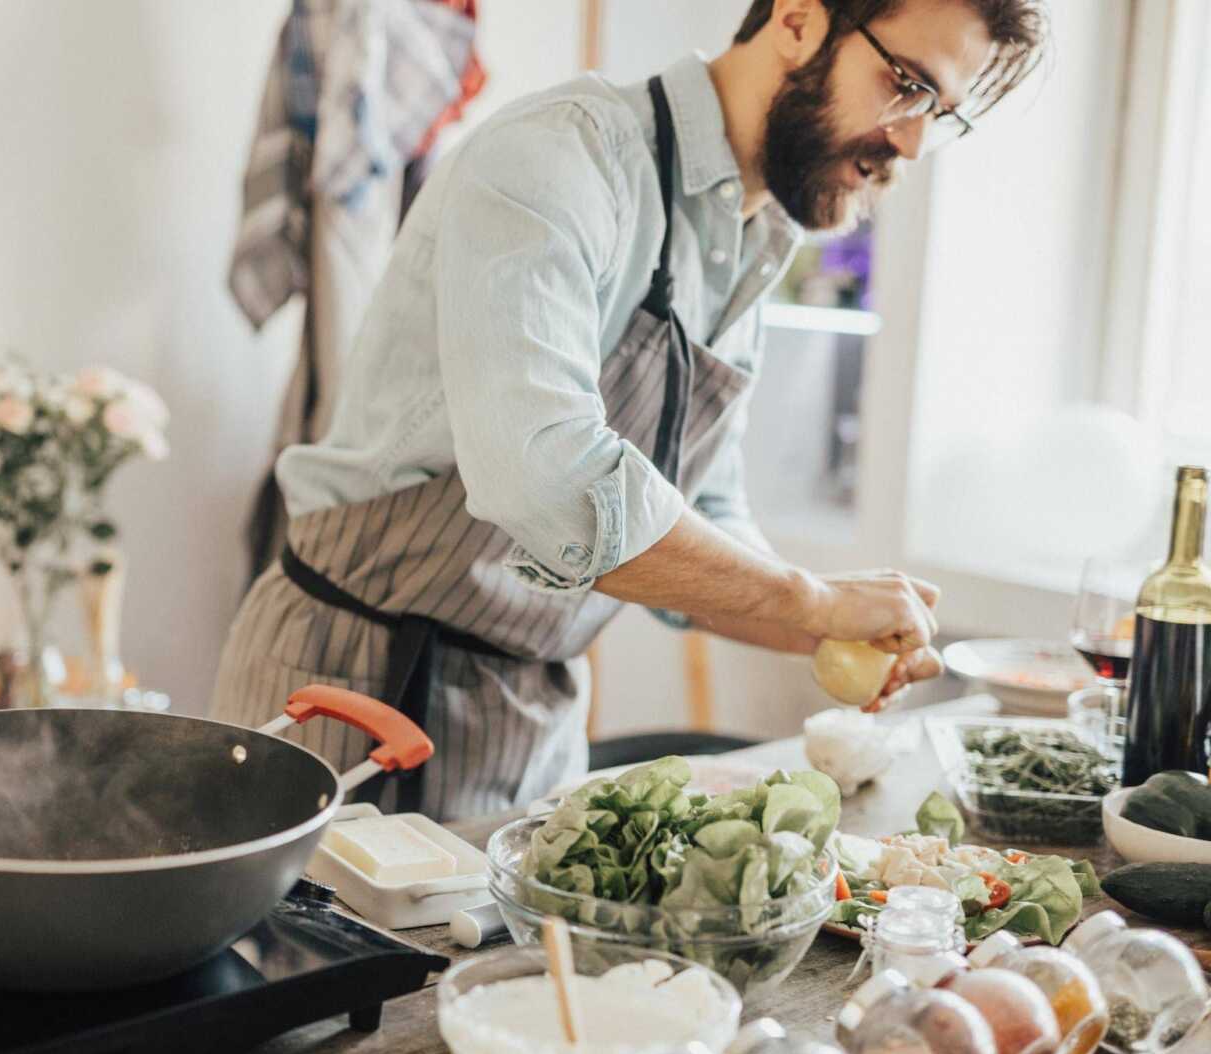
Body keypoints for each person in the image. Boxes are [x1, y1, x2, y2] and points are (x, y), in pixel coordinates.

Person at [212, 0, 1048, 819]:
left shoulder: (755, 241)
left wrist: (831, 626)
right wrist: (809, 600)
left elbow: (704, 513)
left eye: (942, 115)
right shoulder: (560, 156)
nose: (911, 144)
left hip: (528, 726)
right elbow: (547, 477)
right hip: (349, 685)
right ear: (796, 20)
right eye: (905, 83)